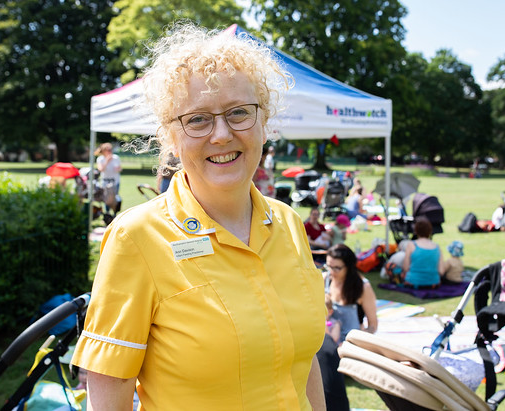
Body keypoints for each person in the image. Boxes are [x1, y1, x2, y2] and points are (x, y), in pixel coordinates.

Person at [72, 23, 326, 410]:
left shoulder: (289, 223)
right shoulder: (136, 238)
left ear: (264, 121)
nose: (221, 134)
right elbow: (108, 391)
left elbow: (304, 364)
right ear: (171, 137)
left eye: (239, 112)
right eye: (197, 119)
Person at [323, 243, 378, 340]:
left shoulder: (363, 287)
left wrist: (360, 340)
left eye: (337, 268)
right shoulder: (325, 279)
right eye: (328, 266)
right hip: (327, 341)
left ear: (349, 267)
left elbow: (373, 325)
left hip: (350, 343)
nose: (331, 271)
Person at [401, 217, 444, 288]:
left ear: (416, 231)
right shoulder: (436, 247)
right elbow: (441, 271)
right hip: (433, 283)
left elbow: (405, 267)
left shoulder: (411, 245)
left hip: (413, 282)